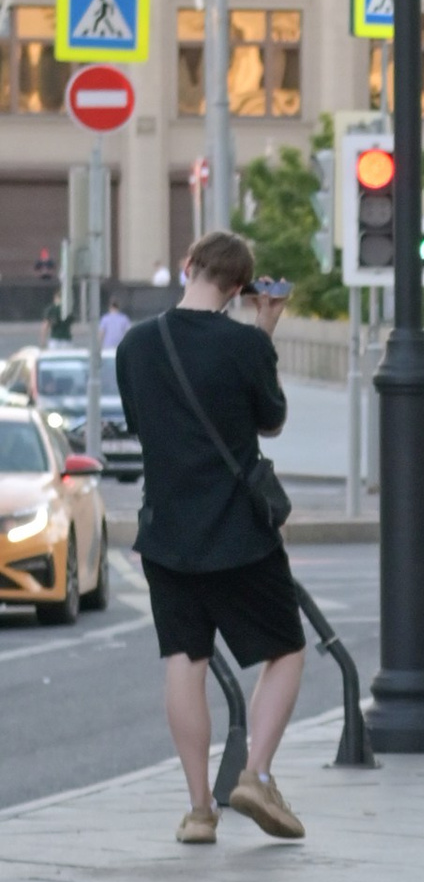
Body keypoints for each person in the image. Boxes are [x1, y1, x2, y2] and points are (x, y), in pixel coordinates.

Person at [113, 229, 308, 845]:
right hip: (237, 533)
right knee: (286, 648)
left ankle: (199, 810)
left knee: (184, 659)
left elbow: (142, 424)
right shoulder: (244, 343)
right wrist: (264, 330)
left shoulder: (138, 344)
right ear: (241, 287)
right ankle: (255, 773)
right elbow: (270, 422)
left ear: (188, 266)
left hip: (166, 531)